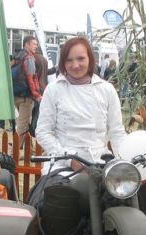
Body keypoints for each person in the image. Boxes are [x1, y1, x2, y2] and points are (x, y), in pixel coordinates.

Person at [34, 36, 127, 177]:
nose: (75, 65)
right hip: (61, 165)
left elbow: (117, 132)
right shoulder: (54, 90)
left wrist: (125, 164)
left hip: (100, 163)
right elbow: (43, 132)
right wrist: (69, 160)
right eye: (69, 60)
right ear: (63, 63)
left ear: (90, 58)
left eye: (80, 58)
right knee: (58, 195)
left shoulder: (107, 89)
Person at [12, 36, 42, 137]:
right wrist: (37, 95)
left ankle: (29, 147)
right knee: (23, 125)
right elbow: (31, 78)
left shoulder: (16, 56)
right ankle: (15, 150)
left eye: (36, 45)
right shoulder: (28, 58)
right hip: (26, 97)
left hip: (15, 95)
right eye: (34, 44)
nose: (36, 47)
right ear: (27, 44)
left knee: (25, 122)